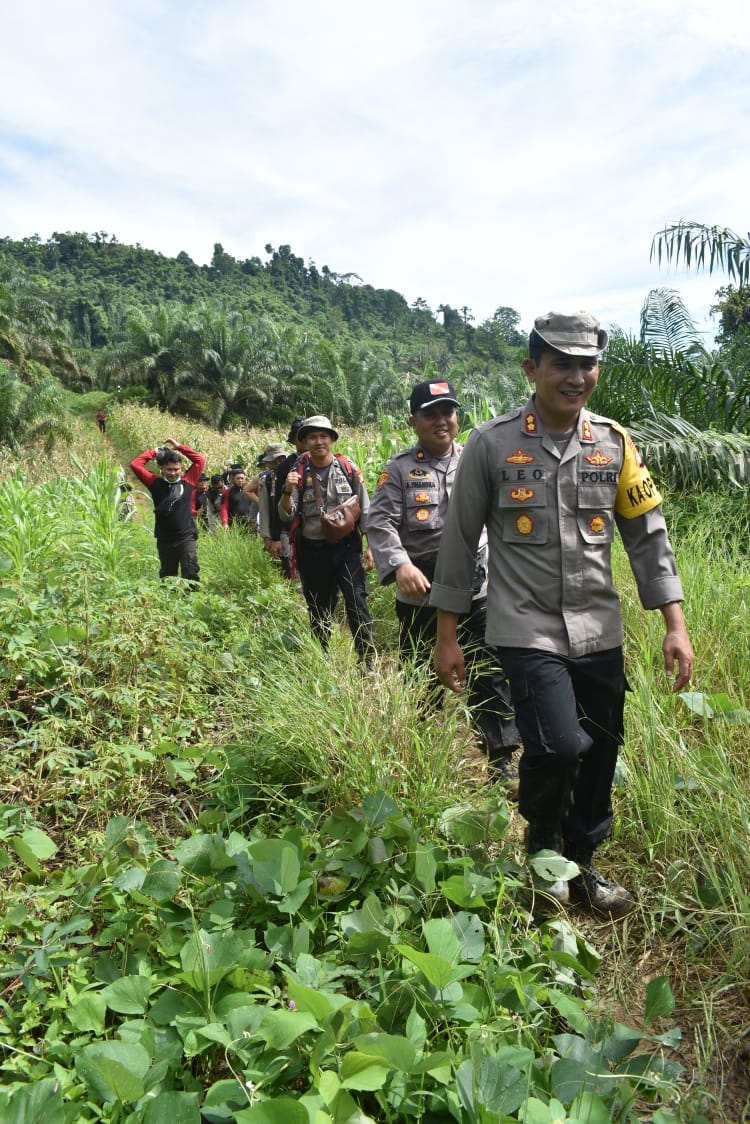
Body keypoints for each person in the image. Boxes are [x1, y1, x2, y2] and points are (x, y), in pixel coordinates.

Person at [431, 311, 694, 918]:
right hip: (525, 627)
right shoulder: (492, 444)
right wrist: (449, 636)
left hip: (598, 627)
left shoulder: (615, 443)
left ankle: (583, 862)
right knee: (558, 745)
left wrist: (674, 625)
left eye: (587, 364)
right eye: (562, 364)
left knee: (601, 748)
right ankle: (543, 847)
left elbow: (648, 537)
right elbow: (458, 540)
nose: (576, 377)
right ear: (532, 369)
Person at [367, 379, 520, 790]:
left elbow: (503, 517)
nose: (441, 420)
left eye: (448, 412)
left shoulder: (477, 459)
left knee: (488, 670)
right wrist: (399, 565)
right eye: (431, 413)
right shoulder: (398, 470)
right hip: (421, 590)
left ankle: (501, 760)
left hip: (477, 585)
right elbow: (379, 522)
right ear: (413, 421)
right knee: (422, 674)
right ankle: (419, 751)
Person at [279, 414, 375, 665]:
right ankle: (322, 659)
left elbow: (365, 508)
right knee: (319, 608)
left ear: (332, 439)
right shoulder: (297, 471)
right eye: (312, 436)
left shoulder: (348, 468)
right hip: (313, 551)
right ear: (305, 441)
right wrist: (287, 491)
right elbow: (286, 513)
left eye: (323, 436)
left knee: (357, 603)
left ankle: (367, 663)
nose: (319, 441)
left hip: (347, 548)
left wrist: (371, 545)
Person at [129, 438, 206, 582]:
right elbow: (135, 464)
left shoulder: (188, 481)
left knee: (190, 572)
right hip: (165, 539)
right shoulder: (154, 483)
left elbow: (200, 460)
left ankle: (191, 602)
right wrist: (154, 452)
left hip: (186, 537)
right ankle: (170, 603)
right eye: (169, 469)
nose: (172, 473)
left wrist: (180, 447)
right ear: (162, 469)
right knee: (168, 577)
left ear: (181, 469)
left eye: (176, 469)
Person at [276, 417, 307, 578]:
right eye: (300, 436)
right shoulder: (286, 465)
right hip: (290, 528)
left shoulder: (327, 462)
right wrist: (275, 536)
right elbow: (277, 502)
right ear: (294, 440)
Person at [257, 442, 287, 558]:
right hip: (277, 530)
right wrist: (266, 536)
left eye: (281, 459)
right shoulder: (266, 480)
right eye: (275, 460)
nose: (278, 463)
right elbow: (264, 509)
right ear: (268, 463)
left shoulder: (294, 473)